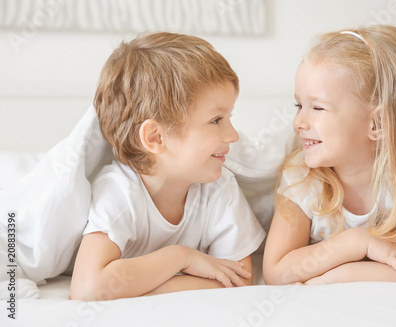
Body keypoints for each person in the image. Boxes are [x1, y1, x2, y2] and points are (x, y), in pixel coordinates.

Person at [70, 32, 265, 300]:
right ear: (156, 138)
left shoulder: (218, 187)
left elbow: (239, 280)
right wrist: (180, 258)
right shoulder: (120, 192)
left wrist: (144, 288)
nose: (233, 135)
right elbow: (87, 288)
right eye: (216, 120)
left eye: (230, 116)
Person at [263, 25, 396, 285]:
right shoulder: (302, 178)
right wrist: (358, 242)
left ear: (378, 123)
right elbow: (276, 272)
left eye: (317, 107)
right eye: (299, 105)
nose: (299, 122)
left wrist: (340, 277)